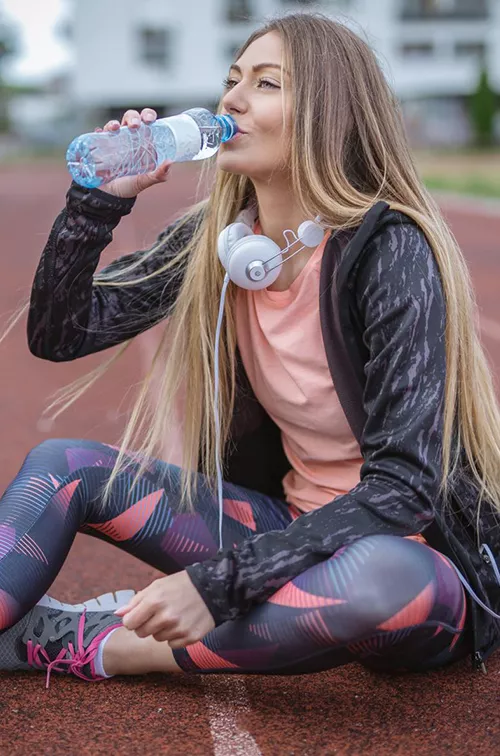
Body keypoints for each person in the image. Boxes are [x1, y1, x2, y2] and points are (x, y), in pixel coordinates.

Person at [1, 11, 499, 691]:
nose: (230, 100)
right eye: (231, 79)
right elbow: (59, 335)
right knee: (62, 467)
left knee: (383, 578)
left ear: (331, 114)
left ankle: (97, 645)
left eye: (265, 84)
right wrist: (95, 204)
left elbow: (407, 489)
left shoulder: (390, 251)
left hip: (408, 565)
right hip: (284, 529)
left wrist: (219, 585)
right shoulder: (224, 243)